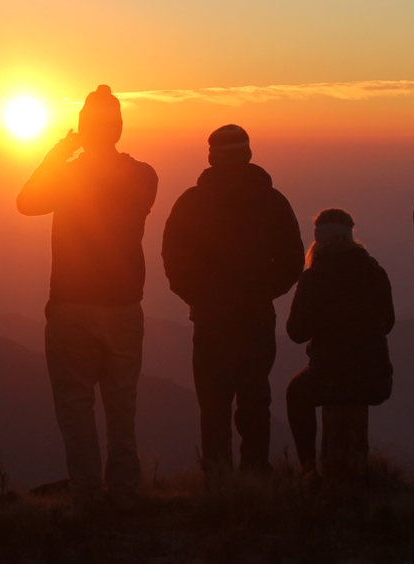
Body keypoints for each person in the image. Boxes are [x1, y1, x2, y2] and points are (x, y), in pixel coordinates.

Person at [17, 85, 158, 510]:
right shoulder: (144, 176)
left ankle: (88, 499)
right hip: (122, 308)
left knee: (76, 409)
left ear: (83, 128)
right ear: (118, 128)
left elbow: (26, 201)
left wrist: (62, 149)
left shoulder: (69, 175)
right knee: (121, 407)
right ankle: (126, 493)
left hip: (71, 309)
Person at [162, 124, 304, 478]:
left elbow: (173, 260)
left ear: (211, 157)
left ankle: (218, 479)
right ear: (249, 154)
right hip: (256, 318)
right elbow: (292, 260)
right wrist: (262, 292)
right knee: (255, 399)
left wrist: (198, 296)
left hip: (210, 320)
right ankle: (255, 473)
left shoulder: (191, 203)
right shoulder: (272, 201)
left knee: (213, 405)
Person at [285, 209, 394, 481]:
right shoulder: (375, 271)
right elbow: (388, 322)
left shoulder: (313, 277)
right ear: (350, 237)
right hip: (376, 379)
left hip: (328, 377)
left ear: (318, 241)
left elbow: (296, 332)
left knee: (295, 393)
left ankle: (309, 469)